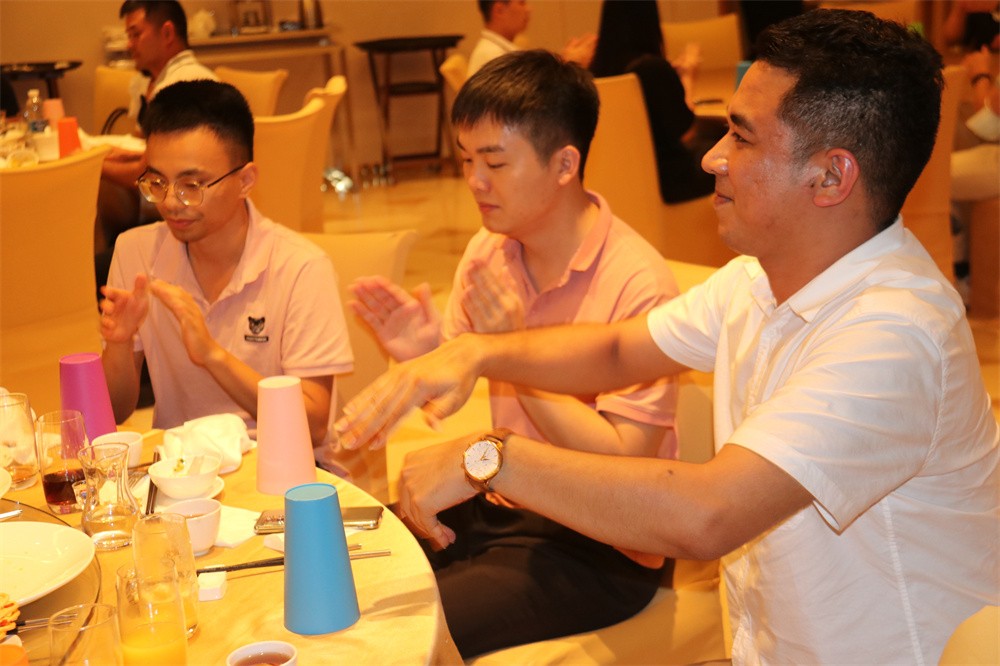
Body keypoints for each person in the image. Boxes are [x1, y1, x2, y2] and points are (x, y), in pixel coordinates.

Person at [337, 10, 999, 664]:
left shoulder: (893, 333)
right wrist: (477, 351)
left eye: (741, 138)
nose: (712, 156)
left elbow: (705, 514)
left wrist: (488, 455)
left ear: (831, 176)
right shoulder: (755, 281)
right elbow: (615, 350)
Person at [350, 50, 680, 657]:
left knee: (400, 633)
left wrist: (511, 356)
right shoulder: (490, 250)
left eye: (495, 162)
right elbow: (457, 389)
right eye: (466, 160)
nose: (475, 181)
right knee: (344, 568)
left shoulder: (640, 284)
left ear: (564, 164)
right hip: (500, 499)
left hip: (600, 544)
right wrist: (428, 354)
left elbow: (626, 468)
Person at [100, 80, 353, 470]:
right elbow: (115, 412)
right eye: (158, 182)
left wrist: (212, 356)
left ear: (245, 181)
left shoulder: (300, 267)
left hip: (283, 471)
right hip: (181, 472)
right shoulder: (135, 251)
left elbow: (314, 426)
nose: (171, 202)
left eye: (192, 185)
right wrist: (119, 344)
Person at [97, 1, 218, 279]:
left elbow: (145, 173)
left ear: (167, 33)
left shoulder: (179, 89)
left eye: (135, 34)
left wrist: (89, 166)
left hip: (184, 227)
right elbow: (148, 152)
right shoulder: (167, 80)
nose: (129, 44)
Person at [588, 0, 718, 204]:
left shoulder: (597, 71)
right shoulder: (653, 69)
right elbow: (687, 132)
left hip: (625, 186)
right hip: (670, 183)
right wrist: (687, 76)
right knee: (731, 152)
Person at [467, 0, 596, 77]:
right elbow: (530, 103)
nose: (529, 9)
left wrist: (563, 62)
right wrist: (568, 66)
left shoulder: (498, 50)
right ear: (499, 10)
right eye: (521, 2)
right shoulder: (492, 55)